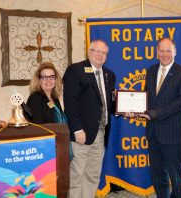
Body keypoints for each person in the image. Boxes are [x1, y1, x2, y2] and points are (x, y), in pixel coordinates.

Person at [134, 38, 181, 197]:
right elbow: (146, 97)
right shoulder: (151, 70)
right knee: (158, 175)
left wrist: (156, 113)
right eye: (162, 50)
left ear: (175, 52)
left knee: (176, 176)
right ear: (157, 52)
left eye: (168, 50)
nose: (165, 54)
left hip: (172, 134)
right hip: (153, 133)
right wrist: (130, 105)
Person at [63, 39, 116, 198]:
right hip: (82, 133)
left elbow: (107, 103)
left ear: (107, 56)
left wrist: (122, 108)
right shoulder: (76, 70)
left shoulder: (109, 75)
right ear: (89, 51)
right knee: (77, 174)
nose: (100, 55)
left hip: (100, 133)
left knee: (93, 174)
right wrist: (77, 129)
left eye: (104, 52)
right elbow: (70, 103)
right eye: (96, 51)